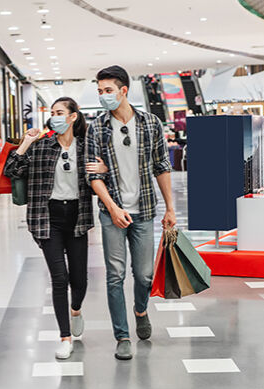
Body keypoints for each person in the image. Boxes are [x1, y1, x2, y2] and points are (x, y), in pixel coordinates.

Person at [5, 97, 107, 360]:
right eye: (52, 113)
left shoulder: (86, 147)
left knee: (80, 280)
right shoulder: (41, 147)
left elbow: (104, 176)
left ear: (73, 117)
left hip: (78, 217)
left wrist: (104, 169)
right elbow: (12, 169)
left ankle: (76, 309)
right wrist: (27, 141)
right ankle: (65, 337)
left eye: (60, 112)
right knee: (59, 279)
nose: (54, 117)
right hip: (47, 217)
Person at [85, 65, 176, 361]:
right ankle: (122, 336)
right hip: (111, 213)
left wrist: (170, 207)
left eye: (108, 90)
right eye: (99, 92)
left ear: (124, 91)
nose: (103, 96)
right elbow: (91, 175)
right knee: (114, 276)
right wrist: (112, 207)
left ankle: (140, 310)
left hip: (145, 210)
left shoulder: (150, 124)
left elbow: (162, 166)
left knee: (144, 275)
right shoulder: (97, 127)